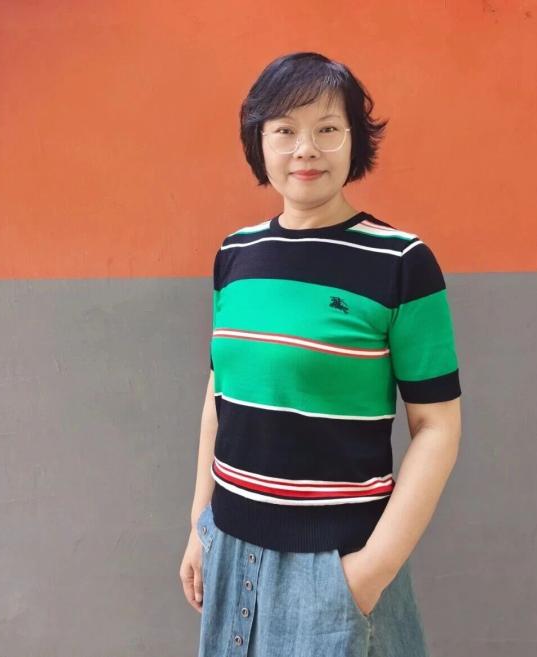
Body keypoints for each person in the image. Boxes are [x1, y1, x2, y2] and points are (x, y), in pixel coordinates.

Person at [179, 51, 462, 657]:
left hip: (335, 561)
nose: (305, 149)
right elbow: (219, 394)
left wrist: (368, 574)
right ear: (259, 143)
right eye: (284, 131)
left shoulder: (401, 263)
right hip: (230, 544)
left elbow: (437, 426)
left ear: (354, 140)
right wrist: (201, 523)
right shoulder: (236, 255)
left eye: (327, 129)